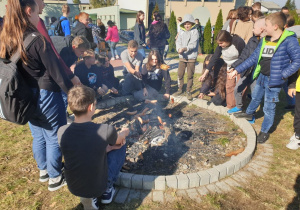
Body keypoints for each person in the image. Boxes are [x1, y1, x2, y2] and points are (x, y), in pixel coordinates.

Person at [0, 0, 74, 191]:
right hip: (46, 94)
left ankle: (44, 171)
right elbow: (57, 74)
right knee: (53, 136)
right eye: (37, 13)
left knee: (39, 135)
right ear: (28, 10)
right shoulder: (36, 39)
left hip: (24, 95)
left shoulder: (7, 37)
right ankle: (55, 177)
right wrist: (72, 95)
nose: (39, 17)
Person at [229, 12, 300, 143]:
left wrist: (283, 74)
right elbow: (253, 58)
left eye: (266, 25)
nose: (263, 28)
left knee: (269, 107)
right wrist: (237, 70)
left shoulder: (289, 41)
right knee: (255, 97)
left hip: (274, 81)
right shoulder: (265, 40)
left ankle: (265, 131)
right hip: (261, 76)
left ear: (275, 27)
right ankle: (249, 113)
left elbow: (297, 62)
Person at [58, 85, 129, 208]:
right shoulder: (105, 130)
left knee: (107, 147)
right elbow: (119, 140)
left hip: (73, 186)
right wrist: (124, 132)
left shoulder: (61, 131)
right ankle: (107, 189)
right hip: (98, 185)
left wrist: (109, 148)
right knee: (122, 145)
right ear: (91, 107)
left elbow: (84, 149)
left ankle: (89, 197)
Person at [227, 18, 266, 115]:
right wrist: (234, 66)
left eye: (254, 28)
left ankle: (251, 114)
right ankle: (239, 107)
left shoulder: (267, 42)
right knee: (237, 89)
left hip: (257, 74)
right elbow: (244, 55)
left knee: (255, 94)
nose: (252, 30)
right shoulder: (252, 40)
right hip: (247, 71)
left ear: (261, 29)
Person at [200, 30, 245, 109]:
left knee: (239, 87)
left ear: (227, 40)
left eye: (221, 43)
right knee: (229, 86)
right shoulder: (220, 46)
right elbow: (214, 58)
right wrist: (205, 74)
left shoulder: (238, 42)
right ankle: (230, 107)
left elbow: (244, 57)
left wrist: (236, 68)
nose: (219, 45)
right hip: (230, 67)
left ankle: (239, 107)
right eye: (218, 43)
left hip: (241, 66)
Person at [174, 14, 199, 100]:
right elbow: (178, 42)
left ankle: (188, 91)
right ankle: (180, 89)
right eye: (185, 24)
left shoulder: (195, 31)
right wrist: (178, 49)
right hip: (182, 56)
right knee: (180, 74)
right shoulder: (181, 31)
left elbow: (193, 44)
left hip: (191, 57)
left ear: (192, 24)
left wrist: (185, 48)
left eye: (188, 24)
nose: (187, 25)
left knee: (189, 75)